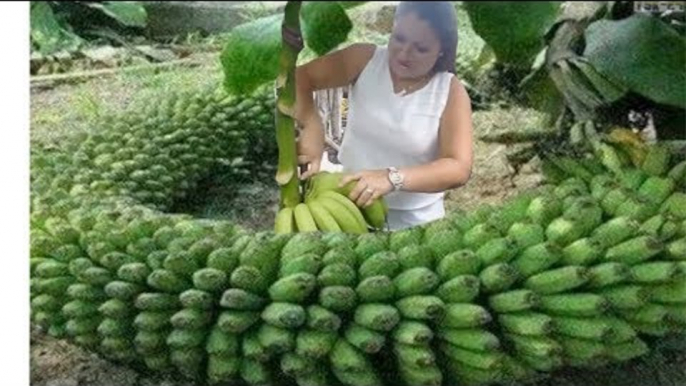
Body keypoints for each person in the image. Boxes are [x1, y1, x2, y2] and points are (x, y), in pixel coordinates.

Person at [294, 1, 474, 231]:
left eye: (421, 48)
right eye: (399, 38)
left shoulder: (450, 92)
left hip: (416, 224)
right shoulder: (364, 60)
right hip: (348, 208)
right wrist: (311, 125)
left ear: (441, 50)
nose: (404, 53)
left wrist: (391, 178)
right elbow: (299, 79)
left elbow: (458, 167)